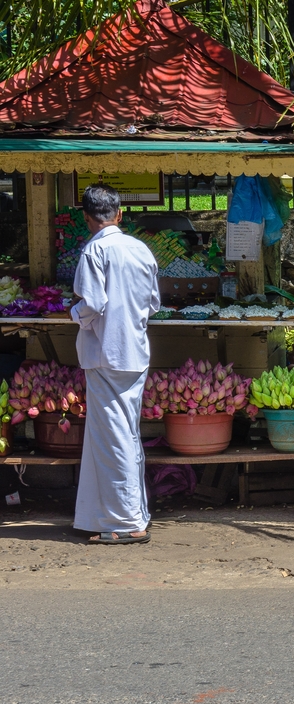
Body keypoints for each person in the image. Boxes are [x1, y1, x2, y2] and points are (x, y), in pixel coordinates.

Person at [71, 184, 160, 543]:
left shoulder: (95, 250)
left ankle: (127, 523)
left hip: (107, 354)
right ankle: (128, 514)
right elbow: (153, 303)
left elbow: (92, 304)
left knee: (113, 439)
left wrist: (73, 313)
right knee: (125, 434)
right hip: (134, 352)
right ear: (120, 214)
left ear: (87, 218)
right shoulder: (140, 249)